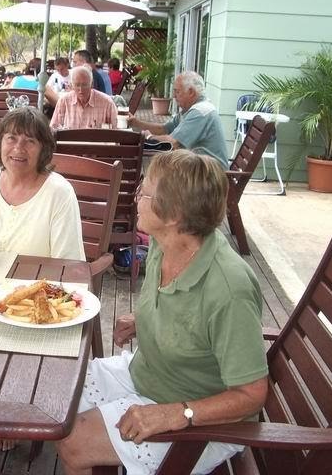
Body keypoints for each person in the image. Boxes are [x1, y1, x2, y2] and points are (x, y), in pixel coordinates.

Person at [56, 150, 269, 475]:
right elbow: (188, 316)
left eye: (145, 192)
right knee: (57, 395)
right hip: (148, 374)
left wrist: (176, 413)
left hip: (202, 417)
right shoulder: (164, 243)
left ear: (174, 215)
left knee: (74, 441)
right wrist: (146, 320)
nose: (136, 197)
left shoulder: (229, 291)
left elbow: (252, 395)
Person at [0, 106, 85, 261]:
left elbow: (68, 265)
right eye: (11, 138)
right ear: (0, 142)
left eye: (30, 141)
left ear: (43, 149)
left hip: (37, 277)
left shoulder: (59, 193)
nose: (18, 148)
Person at [129, 71, 229, 169]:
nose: (174, 96)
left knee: (158, 170)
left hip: (211, 174)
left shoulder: (200, 112)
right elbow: (164, 129)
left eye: (177, 91)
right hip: (200, 168)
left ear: (191, 92)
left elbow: (173, 143)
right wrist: (136, 122)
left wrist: (149, 137)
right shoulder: (190, 110)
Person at [50, 66, 118, 130]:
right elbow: (53, 129)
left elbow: (116, 130)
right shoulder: (64, 101)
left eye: (84, 85)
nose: (81, 89)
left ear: (91, 84)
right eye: (77, 85)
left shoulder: (106, 103)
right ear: (72, 85)